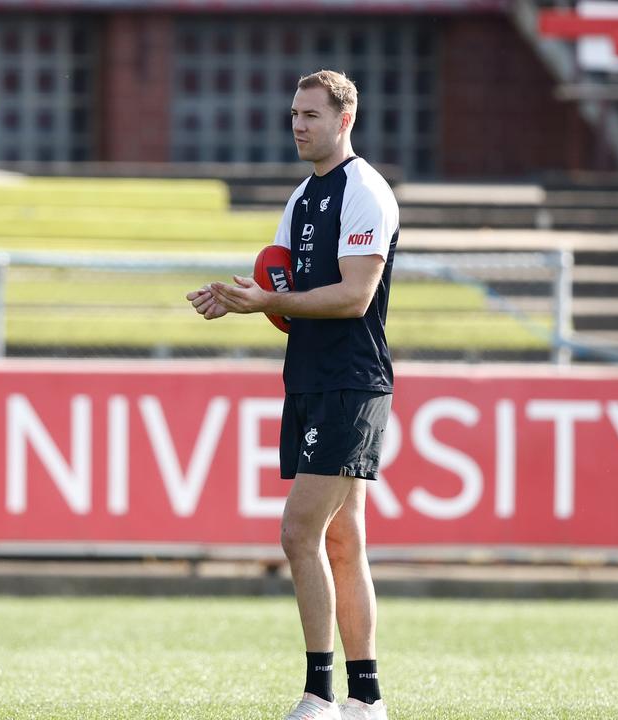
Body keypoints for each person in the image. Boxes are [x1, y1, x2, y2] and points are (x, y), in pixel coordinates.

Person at [187, 70, 397, 720]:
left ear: (344, 120)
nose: (299, 124)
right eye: (294, 114)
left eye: (311, 114)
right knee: (343, 541)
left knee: (297, 531)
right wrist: (241, 301)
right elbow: (286, 294)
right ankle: (366, 699)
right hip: (308, 377)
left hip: (351, 381)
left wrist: (270, 301)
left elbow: (354, 296)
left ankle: (320, 694)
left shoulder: (365, 191)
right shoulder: (303, 197)